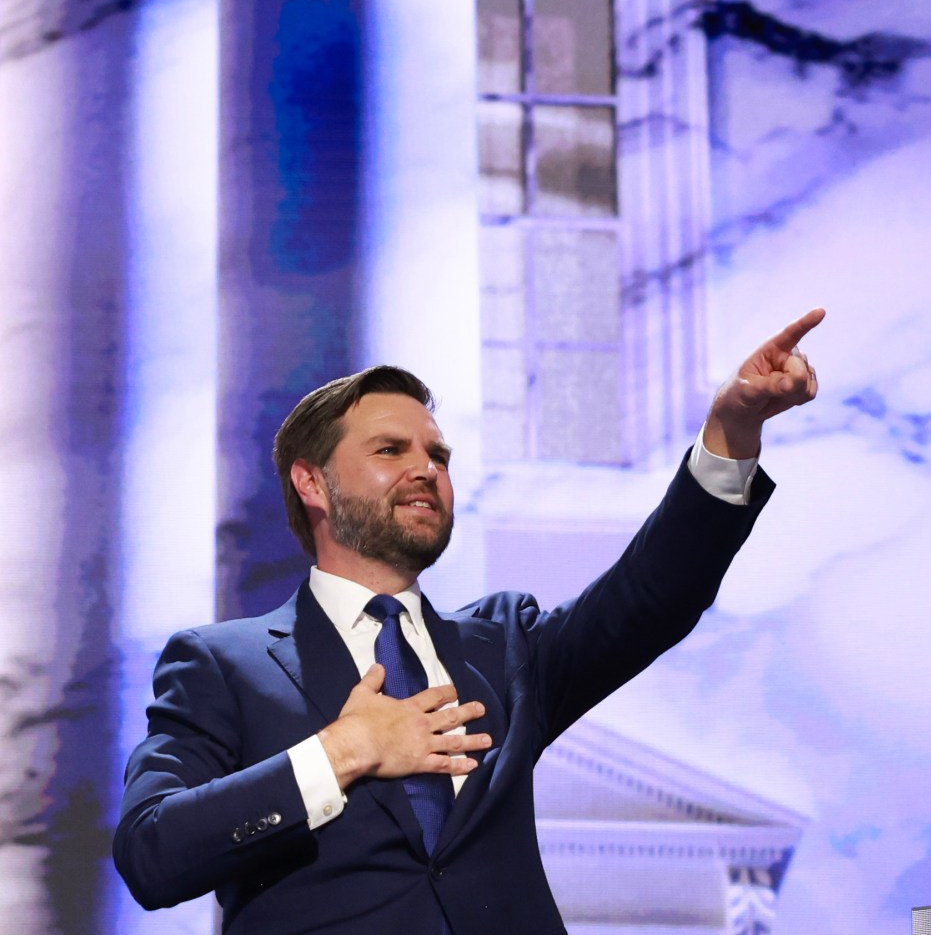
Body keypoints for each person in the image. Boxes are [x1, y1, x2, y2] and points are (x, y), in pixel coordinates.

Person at [113, 308, 824, 934]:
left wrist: (732, 430)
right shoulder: (221, 663)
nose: (426, 469)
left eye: (438, 456)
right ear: (312, 482)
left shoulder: (504, 646)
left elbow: (652, 594)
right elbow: (151, 852)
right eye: (390, 450)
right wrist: (341, 751)